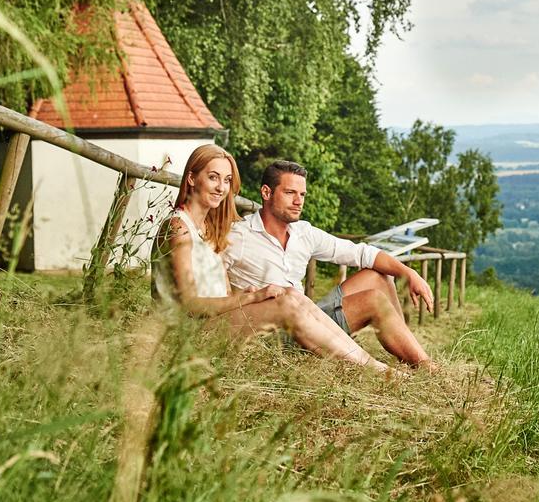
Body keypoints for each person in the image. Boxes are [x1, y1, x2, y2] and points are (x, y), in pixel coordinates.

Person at [152, 145, 389, 372]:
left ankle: (368, 363)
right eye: (213, 177)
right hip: (187, 334)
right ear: (192, 179)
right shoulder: (178, 228)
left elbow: (222, 294)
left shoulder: (210, 229)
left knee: (292, 294)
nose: (221, 188)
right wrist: (253, 297)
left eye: (226, 181)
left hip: (216, 322)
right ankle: (372, 369)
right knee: (285, 304)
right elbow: (189, 305)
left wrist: (250, 297)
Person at [223, 160, 436, 369]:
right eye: (290, 193)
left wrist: (409, 274)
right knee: (373, 300)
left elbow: (361, 253)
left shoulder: (303, 232)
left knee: (377, 276)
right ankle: (428, 369)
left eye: (302, 194)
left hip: (308, 314)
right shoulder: (239, 236)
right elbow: (204, 281)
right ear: (267, 193)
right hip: (277, 332)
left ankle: (411, 354)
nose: (299, 201)